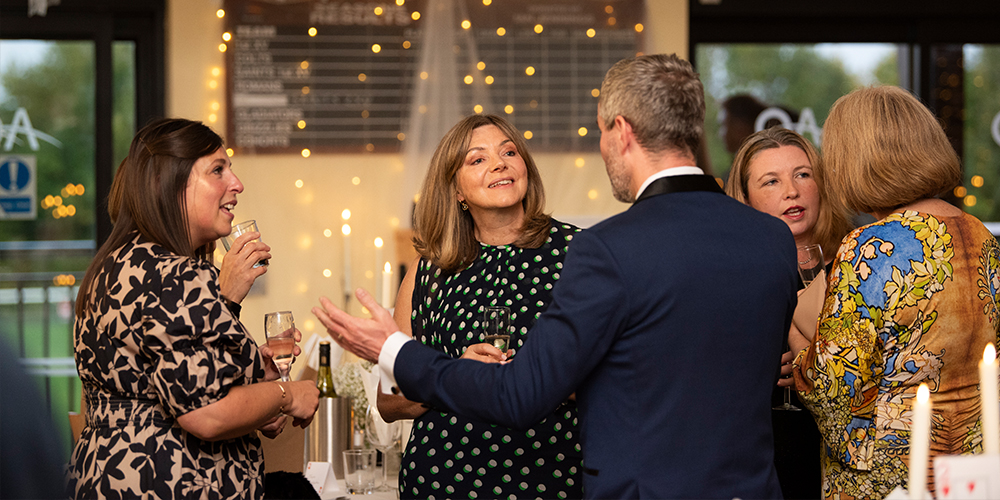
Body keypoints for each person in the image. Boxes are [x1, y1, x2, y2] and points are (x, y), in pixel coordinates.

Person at [315, 54, 799, 499]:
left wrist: (393, 349)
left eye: (601, 132)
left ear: (622, 131)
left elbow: (524, 394)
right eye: (477, 159)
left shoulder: (604, 248)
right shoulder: (772, 239)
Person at [67, 118, 319, 499]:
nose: (236, 184)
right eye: (217, 169)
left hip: (107, 475)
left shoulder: (112, 267)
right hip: (170, 482)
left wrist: (254, 381)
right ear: (170, 184)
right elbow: (208, 413)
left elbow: (173, 381)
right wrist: (288, 393)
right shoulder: (177, 274)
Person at [791, 86, 1000, 499]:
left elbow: (836, 398)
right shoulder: (982, 236)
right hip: (972, 470)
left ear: (854, 161)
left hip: (891, 479)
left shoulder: (869, 247)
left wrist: (799, 347)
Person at [378, 113, 584, 499]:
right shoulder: (428, 272)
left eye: (509, 152)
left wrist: (523, 378)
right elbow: (388, 400)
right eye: (478, 159)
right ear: (455, 189)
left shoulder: (579, 254)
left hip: (548, 477)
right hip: (442, 481)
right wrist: (457, 374)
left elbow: (615, 374)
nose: (499, 164)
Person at [726, 126, 854, 499]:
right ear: (746, 199)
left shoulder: (858, 260)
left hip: (844, 450)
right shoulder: (731, 273)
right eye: (771, 181)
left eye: (802, 174)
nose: (791, 191)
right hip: (763, 453)